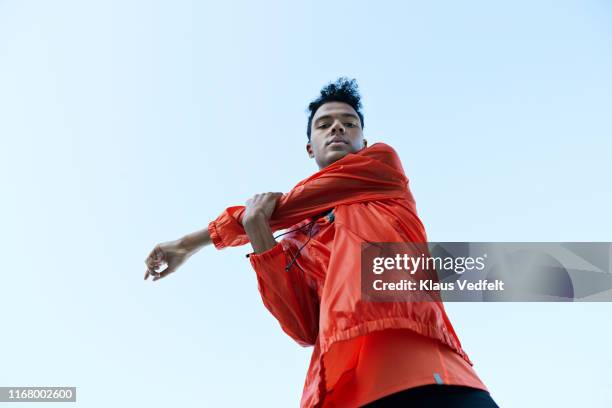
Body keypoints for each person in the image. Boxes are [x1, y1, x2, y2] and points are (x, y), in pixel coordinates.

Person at [143, 77, 500, 408]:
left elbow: (288, 205)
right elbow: (302, 326)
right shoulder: (298, 240)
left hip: (432, 376)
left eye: (349, 122)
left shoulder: (383, 167)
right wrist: (262, 239)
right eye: (324, 124)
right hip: (345, 390)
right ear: (309, 147)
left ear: (364, 139)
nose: (338, 127)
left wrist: (189, 243)